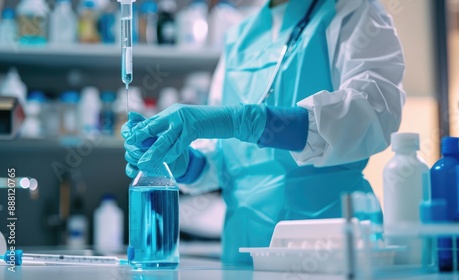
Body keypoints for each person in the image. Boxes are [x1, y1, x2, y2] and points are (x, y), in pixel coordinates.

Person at [122, 0, 406, 265]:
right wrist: (181, 161)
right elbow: (222, 161)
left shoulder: (353, 13)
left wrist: (248, 121)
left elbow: (372, 114)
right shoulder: (240, 36)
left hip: (329, 251)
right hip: (243, 250)